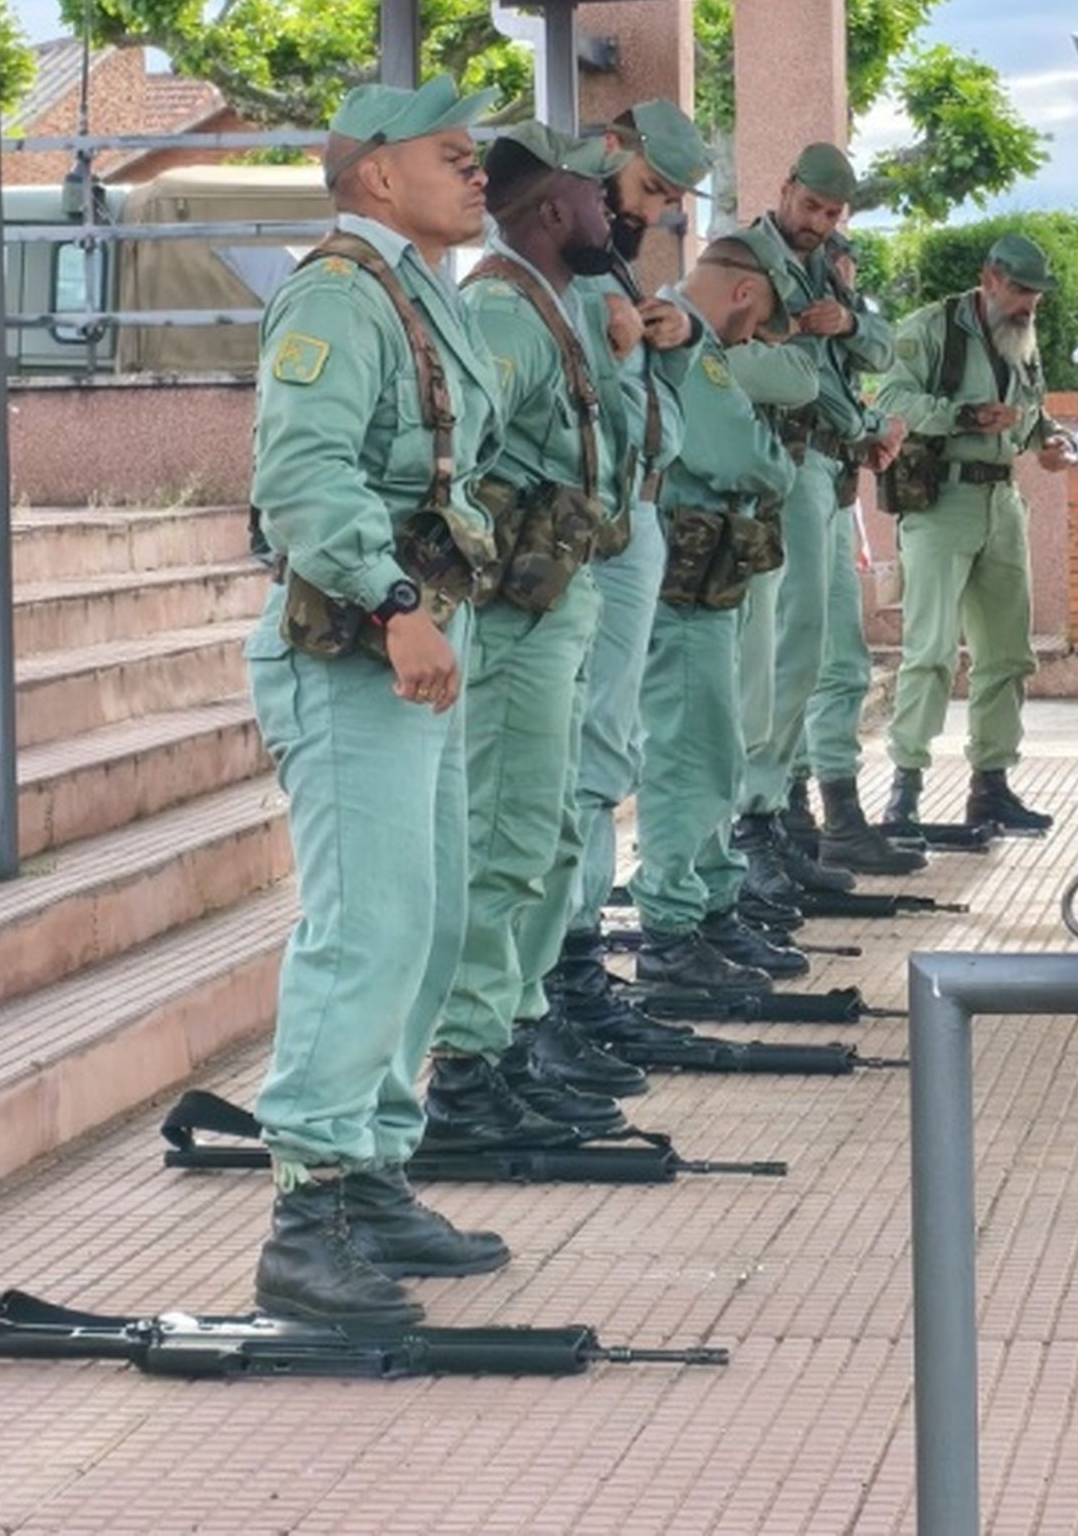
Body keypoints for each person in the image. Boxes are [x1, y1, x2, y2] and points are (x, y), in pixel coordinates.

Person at [248, 75, 510, 1327]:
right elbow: (300, 474)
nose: (477, 170)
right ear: (372, 172)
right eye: (451, 154)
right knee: (366, 927)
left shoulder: (420, 294)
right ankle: (305, 1218)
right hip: (352, 648)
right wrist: (398, 599)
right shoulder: (337, 296)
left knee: (428, 920)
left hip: (412, 642)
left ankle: (371, 1173)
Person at [423, 120, 648, 1154]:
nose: (616, 212)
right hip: (515, 620)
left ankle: (513, 1043)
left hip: (558, 602)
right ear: (554, 209)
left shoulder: (557, 304)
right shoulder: (505, 315)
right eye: (600, 196)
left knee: (547, 835)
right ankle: (467, 1078)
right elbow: (449, 462)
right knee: (508, 840)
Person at [554, 101, 715, 1045]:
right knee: (587, 757)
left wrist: (674, 340)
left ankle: (575, 962)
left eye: (670, 201)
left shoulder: (609, 262)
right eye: (650, 189)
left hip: (634, 512)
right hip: (599, 528)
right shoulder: (554, 271)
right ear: (607, 153)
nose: (656, 213)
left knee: (606, 750)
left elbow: (648, 408)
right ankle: (570, 968)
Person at [629, 231, 818, 988]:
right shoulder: (686, 346)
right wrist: (774, 463)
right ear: (744, 291)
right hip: (683, 575)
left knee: (716, 745)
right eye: (763, 317)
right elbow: (739, 453)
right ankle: (673, 930)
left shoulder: (691, 340)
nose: (759, 337)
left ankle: (708, 904)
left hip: (708, 572)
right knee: (687, 750)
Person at [733, 144, 921, 883]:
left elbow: (879, 346)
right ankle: (768, 818)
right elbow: (731, 356)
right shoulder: (744, 259)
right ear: (784, 188)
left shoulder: (823, 266)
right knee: (789, 653)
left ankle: (822, 817)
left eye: (834, 213)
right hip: (788, 467)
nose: (820, 221)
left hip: (835, 469)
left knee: (835, 656)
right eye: (811, 206)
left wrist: (842, 322)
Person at [876, 233, 1072, 838]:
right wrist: (963, 415)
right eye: (1019, 291)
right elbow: (889, 399)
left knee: (1008, 655)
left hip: (1002, 501)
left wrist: (1049, 440)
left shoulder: (1023, 337)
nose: (1028, 305)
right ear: (990, 279)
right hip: (942, 502)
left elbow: (1033, 409)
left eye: (1035, 295)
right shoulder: (930, 328)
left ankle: (991, 787)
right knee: (931, 651)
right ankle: (904, 791)